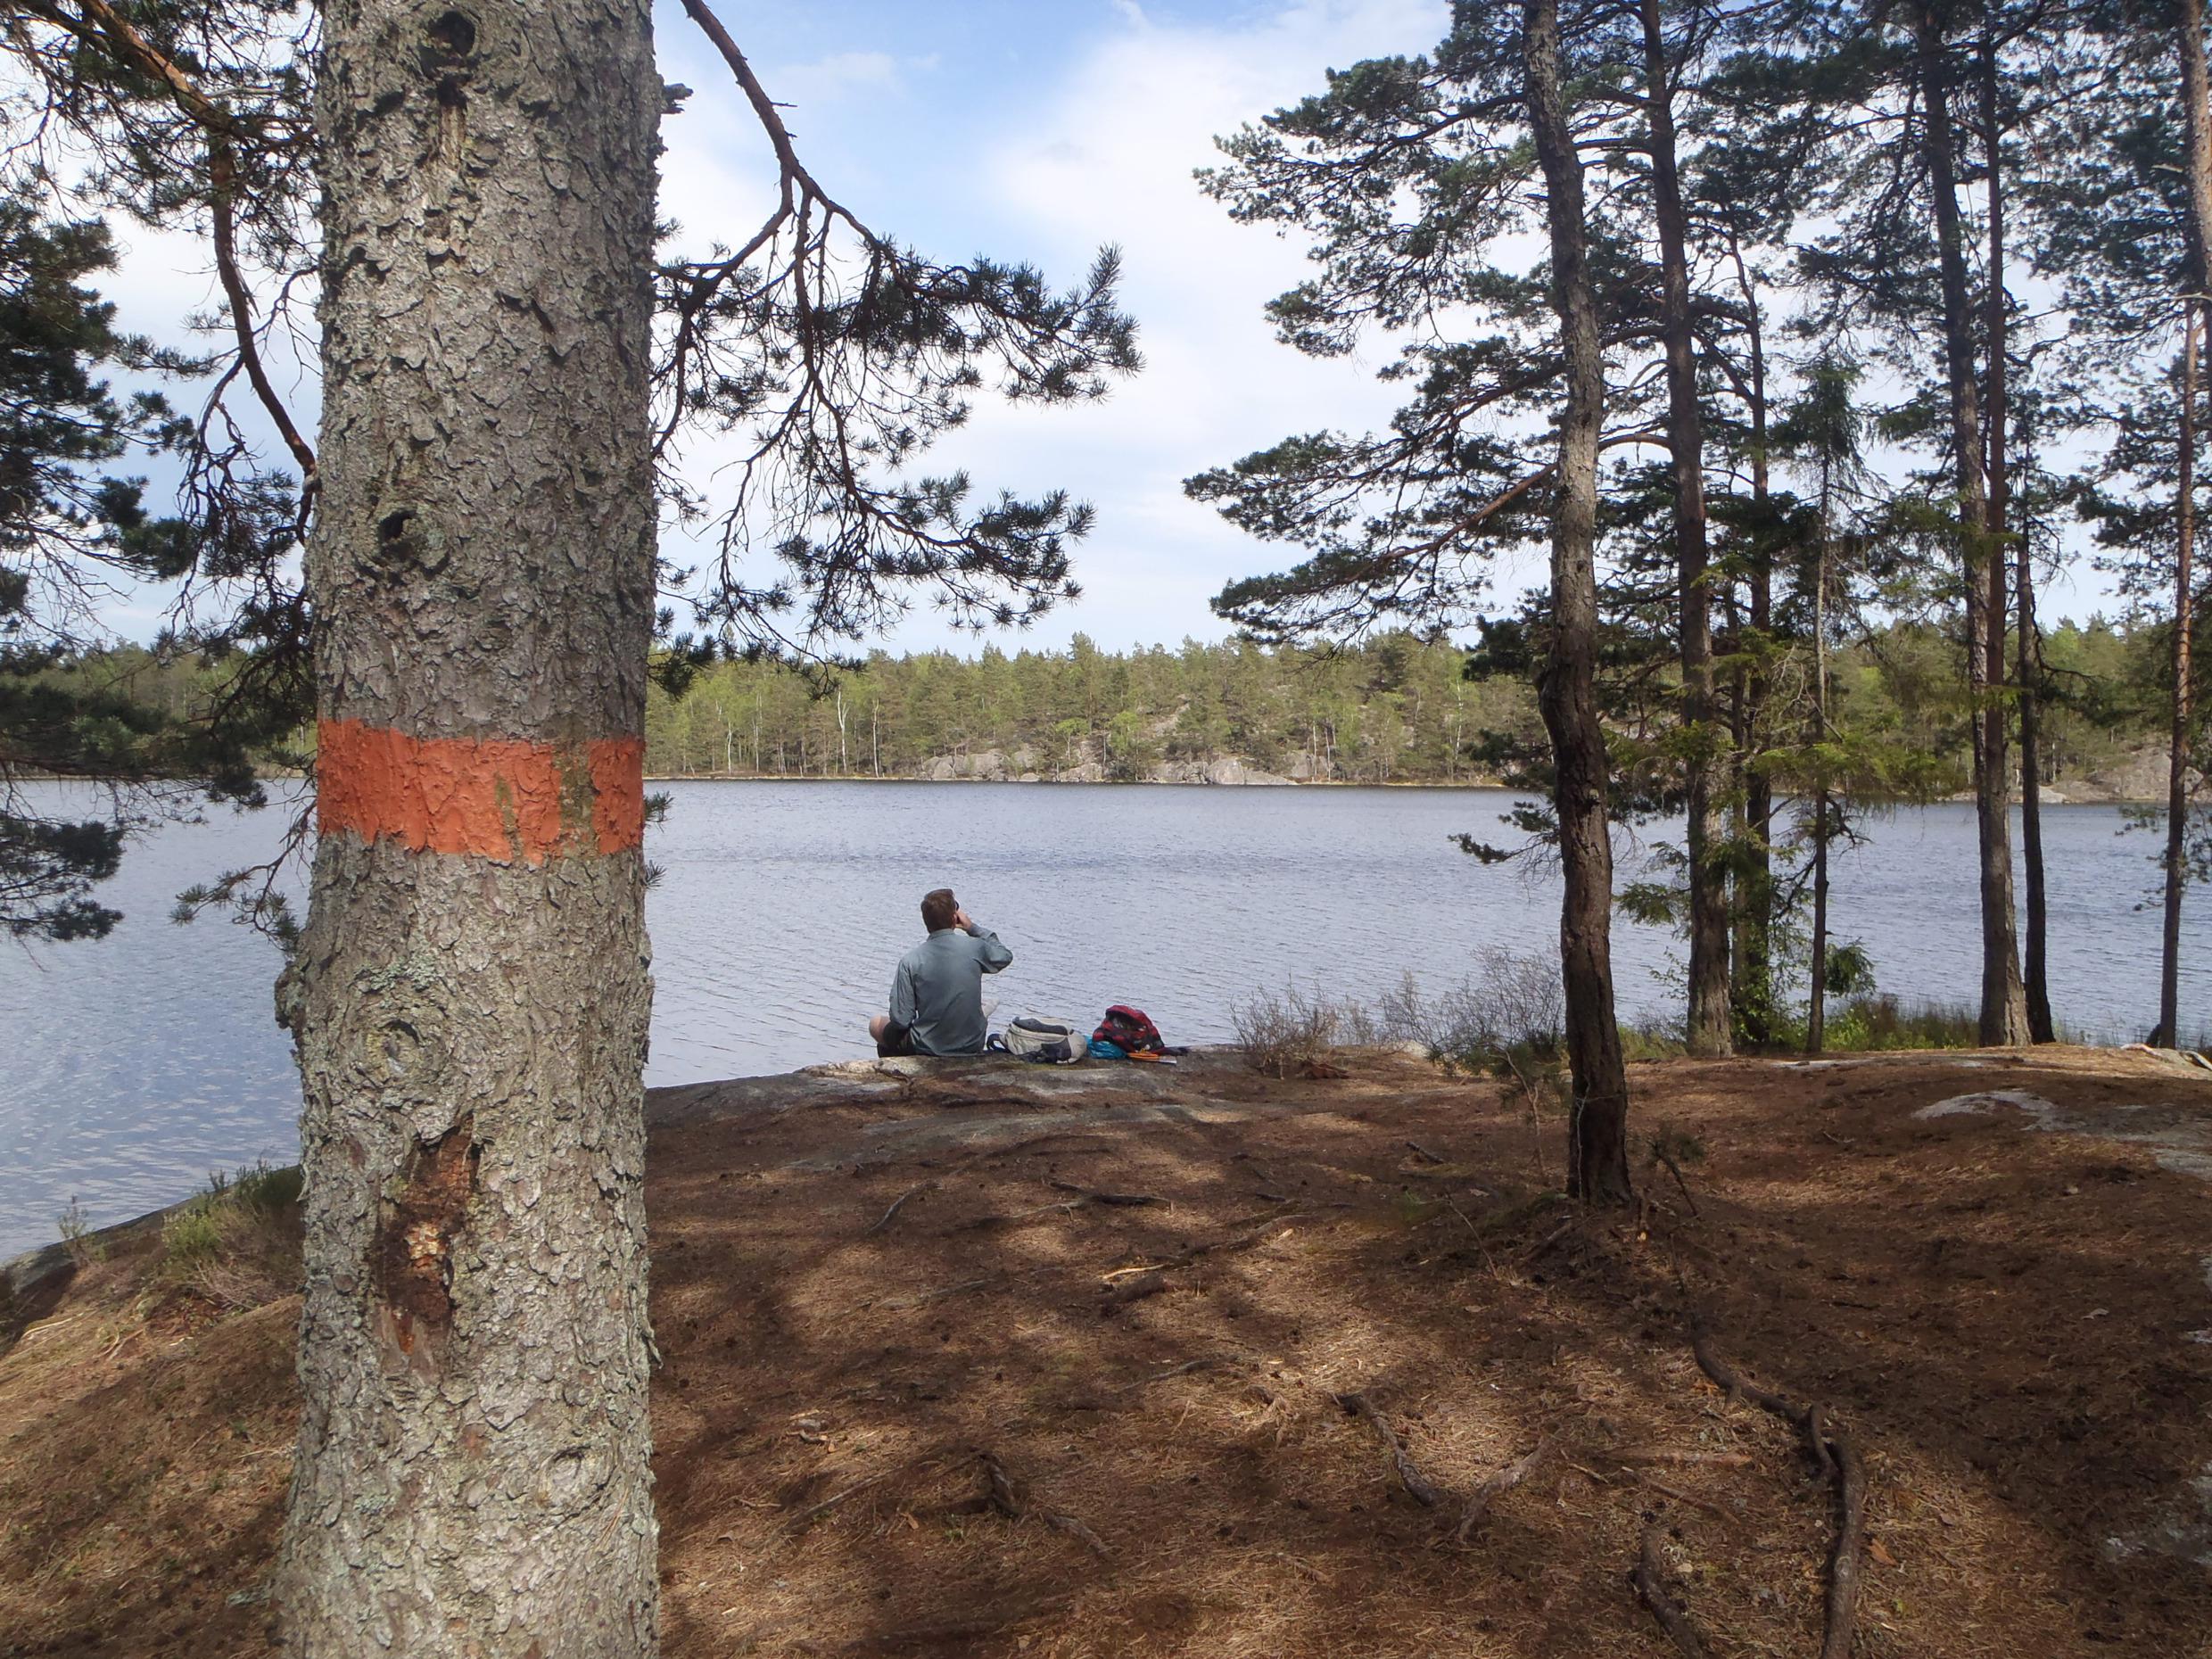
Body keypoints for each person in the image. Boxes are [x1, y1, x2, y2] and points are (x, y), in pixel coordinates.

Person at [868, 887, 1013, 1058]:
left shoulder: (911, 960)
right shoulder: (975, 947)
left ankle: (900, 1071)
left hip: (929, 1047)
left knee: (875, 1024)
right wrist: (972, 927)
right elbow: (1004, 956)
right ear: (954, 918)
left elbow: (901, 1020)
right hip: (972, 1044)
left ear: (926, 922)